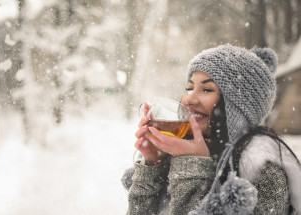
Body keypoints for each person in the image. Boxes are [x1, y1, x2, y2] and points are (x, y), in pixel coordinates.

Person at [122, 44, 301, 215]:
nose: (189, 99)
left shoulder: (261, 168)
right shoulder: (177, 152)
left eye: (207, 89)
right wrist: (153, 163)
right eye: (189, 87)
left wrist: (193, 165)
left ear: (236, 110)